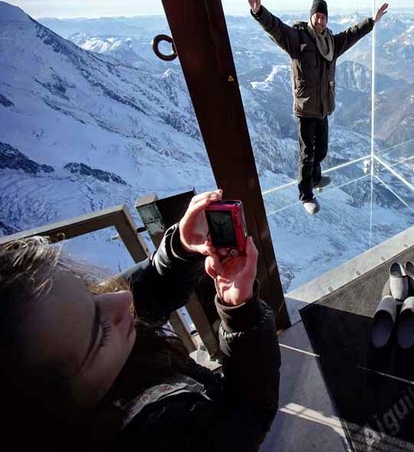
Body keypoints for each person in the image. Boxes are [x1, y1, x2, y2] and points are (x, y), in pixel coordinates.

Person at [0, 189, 280, 451]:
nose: (121, 300)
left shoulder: (79, 341)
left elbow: (149, 293)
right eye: (100, 332)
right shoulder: (169, 433)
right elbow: (248, 414)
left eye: (89, 292)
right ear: (58, 412)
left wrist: (181, 249)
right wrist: (241, 315)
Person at [242, 0, 389, 215]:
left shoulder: (331, 41)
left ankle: (316, 177)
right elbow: (276, 28)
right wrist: (258, 11)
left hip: (323, 107)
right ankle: (306, 194)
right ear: (311, 17)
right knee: (307, 154)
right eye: (317, 16)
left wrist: (372, 21)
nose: (320, 20)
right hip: (306, 108)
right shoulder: (298, 38)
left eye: (323, 16)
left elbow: (352, 34)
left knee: (321, 150)